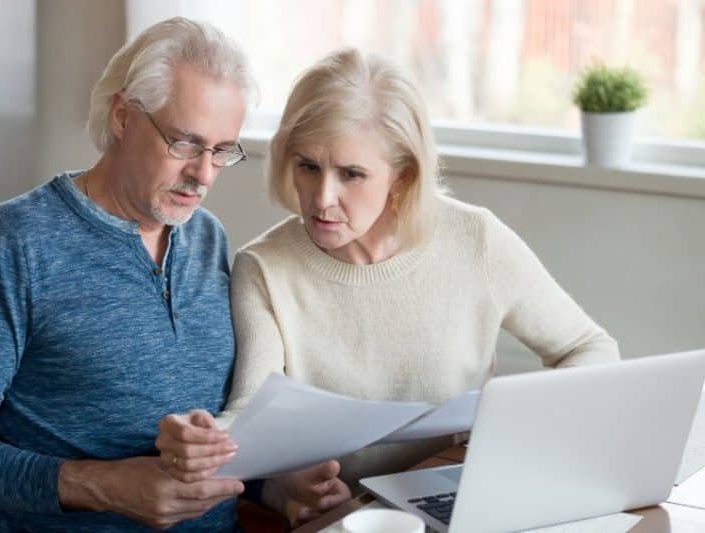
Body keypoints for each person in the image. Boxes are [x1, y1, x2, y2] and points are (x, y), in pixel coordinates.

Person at [0, 17, 340, 532]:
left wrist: (278, 488)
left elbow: (211, 444)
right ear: (121, 116)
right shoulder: (12, 246)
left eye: (222, 150)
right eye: (184, 142)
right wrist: (104, 486)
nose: (203, 175)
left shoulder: (207, 239)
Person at [157, 48, 620, 497]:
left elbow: (589, 348)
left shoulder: (474, 239)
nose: (322, 198)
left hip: (464, 495)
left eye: (352, 174)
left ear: (402, 175)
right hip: (352, 517)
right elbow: (250, 414)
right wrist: (205, 440)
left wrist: (521, 427)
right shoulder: (264, 269)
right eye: (308, 167)